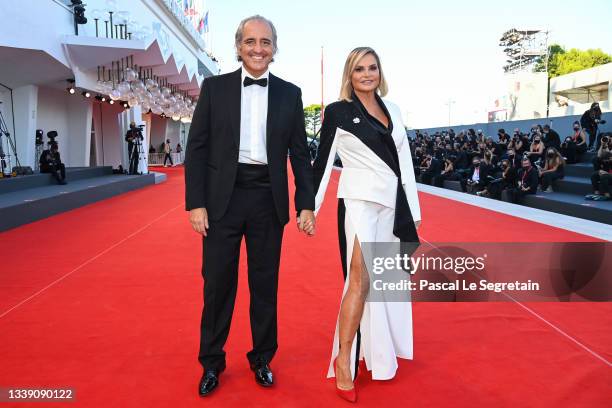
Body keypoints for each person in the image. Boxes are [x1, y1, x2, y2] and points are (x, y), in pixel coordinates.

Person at [184, 15, 315, 397]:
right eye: (251, 41)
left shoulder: (290, 94)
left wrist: (305, 204)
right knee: (217, 284)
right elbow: (197, 149)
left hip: (266, 199)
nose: (258, 48)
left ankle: (262, 358)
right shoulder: (214, 88)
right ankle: (211, 362)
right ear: (238, 46)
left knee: (264, 284)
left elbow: (300, 154)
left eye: (266, 42)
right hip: (222, 198)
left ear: (275, 48)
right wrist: (196, 203)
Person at [313, 47, 421, 402]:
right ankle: (343, 360)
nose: (367, 74)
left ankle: (379, 355)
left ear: (380, 72)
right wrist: (308, 208)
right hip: (359, 202)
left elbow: (405, 164)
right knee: (359, 279)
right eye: (359, 69)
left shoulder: (395, 110)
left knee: (386, 282)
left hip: (392, 207)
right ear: (350, 74)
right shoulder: (339, 112)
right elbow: (323, 162)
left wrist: (414, 215)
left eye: (372, 67)